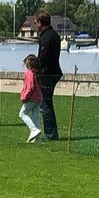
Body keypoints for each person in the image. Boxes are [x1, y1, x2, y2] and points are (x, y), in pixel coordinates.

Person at [35, 10, 63, 140]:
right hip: (54, 72)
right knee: (47, 103)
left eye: (36, 22)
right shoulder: (54, 35)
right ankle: (51, 133)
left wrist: (35, 70)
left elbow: (43, 58)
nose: (35, 25)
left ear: (40, 22)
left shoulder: (46, 37)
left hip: (47, 75)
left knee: (45, 105)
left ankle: (51, 134)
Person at [19, 55, 44, 143]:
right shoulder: (37, 73)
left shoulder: (29, 73)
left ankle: (34, 130)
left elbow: (30, 87)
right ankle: (36, 138)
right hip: (38, 98)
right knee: (35, 117)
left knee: (22, 114)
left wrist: (25, 96)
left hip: (31, 98)